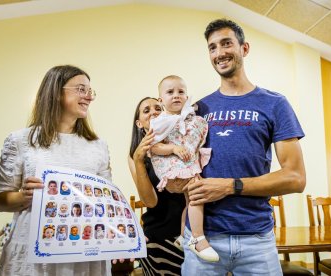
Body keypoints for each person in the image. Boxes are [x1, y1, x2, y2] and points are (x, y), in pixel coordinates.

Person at [181, 19, 306, 275]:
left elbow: (295, 178)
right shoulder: (198, 110)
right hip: (204, 238)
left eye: (227, 44)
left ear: (244, 48)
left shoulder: (275, 104)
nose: (219, 53)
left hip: (256, 240)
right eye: (212, 47)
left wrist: (230, 186)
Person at [0, 65, 113, 275]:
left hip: (85, 249)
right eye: (81, 89)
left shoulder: (98, 146)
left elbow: (106, 198)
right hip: (34, 251)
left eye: (90, 91)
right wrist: (24, 197)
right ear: (56, 93)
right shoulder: (20, 141)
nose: (89, 97)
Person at [148, 75, 217, 262]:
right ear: (161, 100)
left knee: (190, 201)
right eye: (170, 92)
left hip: (186, 166)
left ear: (187, 96)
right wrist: (173, 148)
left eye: (181, 92)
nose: (176, 95)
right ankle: (197, 238)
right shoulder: (160, 121)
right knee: (197, 195)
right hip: (172, 169)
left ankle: (183, 236)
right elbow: (154, 147)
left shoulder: (190, 120)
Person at [128, 97, 186, 275]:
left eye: (158, 108)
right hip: (159, 237)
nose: (153, 112)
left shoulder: (182, 142)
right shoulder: (135, 156)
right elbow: (150, 202)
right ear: (139, 123)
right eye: (146, 110)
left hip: (191, 234)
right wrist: (139, 161)